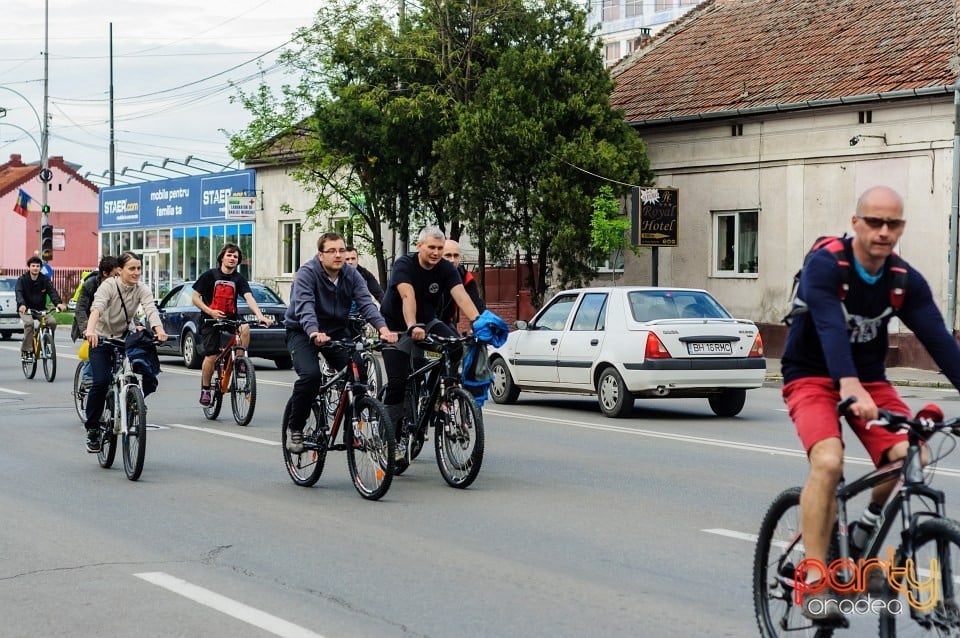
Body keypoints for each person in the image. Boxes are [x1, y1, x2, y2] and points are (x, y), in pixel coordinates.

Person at [781, 185, 960, 626]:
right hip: (812, 375)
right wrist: (847, 385)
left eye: (893, 224)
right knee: (828, 461)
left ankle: (865, 527)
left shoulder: (903, 282)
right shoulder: (826, 267)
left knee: (911, 454)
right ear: (856, 223)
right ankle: (815, 580)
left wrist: (861, 387)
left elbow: (940, 342)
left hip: (870, 381)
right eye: (874, 222)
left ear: (901, 228)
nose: (883, 232)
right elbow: (828, 325)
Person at [282, 232, 397, 453]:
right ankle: (295, 427)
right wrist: (314, 332)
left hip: (335, 331)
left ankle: (350, 431)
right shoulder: (307, 274)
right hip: (302, 331)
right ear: (320, 255)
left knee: (358, 372)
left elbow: (366, 303)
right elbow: (305, 306)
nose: (338, 255)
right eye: (332, 251)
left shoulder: (351, 275)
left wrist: (383, 329)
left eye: (341, 250)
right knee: (311, 377)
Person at [380, 226, 482, 457]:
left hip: (427, 321)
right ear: (419, 246)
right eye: (431, 248)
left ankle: (436, 394)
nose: (436, 253)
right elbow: (408, 296)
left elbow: (461, 295)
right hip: (396, 326)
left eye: (439, 248)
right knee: (398, 382)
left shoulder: (445, 268)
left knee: (455, 346)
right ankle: (391, 438)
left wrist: (479, 322)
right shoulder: (404, 265)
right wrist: (412, 325)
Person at [83, 252, 168, 453]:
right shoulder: (109, 286)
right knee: (101, 382)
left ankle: (133, 401)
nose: (136, 272)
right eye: (132, 268)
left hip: (124, 337)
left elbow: (150, 309)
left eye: (139, 268)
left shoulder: (142, 289)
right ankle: (93, 429)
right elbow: (97, 308)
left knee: (142, 370)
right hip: (102, 338)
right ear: (120, 270)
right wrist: (90, 330)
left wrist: (159, 330)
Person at [192, 243, 273, 407]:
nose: (232, 258)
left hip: (230, 318)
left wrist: (260, 316)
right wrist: (210, 312)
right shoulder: (210, 275)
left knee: (245, 328)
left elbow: (249, 297)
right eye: (229, 255)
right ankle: (206, 389)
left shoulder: (238, 279)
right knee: (212, 355)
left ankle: (240, 363)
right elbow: (195, 298)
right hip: (210, 319)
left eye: (235, 257)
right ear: (222, 257)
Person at [72, 255, 121, 384]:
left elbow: (127, 309)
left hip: (110, 324)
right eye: (115, 274)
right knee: (92, 347)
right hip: (90, 323)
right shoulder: (91, 284)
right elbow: (80, 308)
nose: (118, 278)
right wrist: (86, 329)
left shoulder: (119, 286)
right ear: (105, 273)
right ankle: (87, 379)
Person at [15, 255, 65, 361]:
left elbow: (52, 292)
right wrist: (22, 304)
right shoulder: (22, 280)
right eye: (33, 266)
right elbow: (19, 293)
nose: (35, 268)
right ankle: (27, 350)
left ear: (40, 267)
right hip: (26, 309)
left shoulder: (44, 280)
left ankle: (46, 344)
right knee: (29, 324)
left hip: (41, 309)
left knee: (52, 322)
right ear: (29, 267)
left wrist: (58, 303)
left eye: (37, 266)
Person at [439, 239, 485, 331]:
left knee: (458, 345)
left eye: (456, 256)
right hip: (421, 322)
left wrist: (482, 322)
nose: (452, 260)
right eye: (448, 255)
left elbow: (476, 303)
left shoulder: (464, 275)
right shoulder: (428, 273)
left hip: (448, 322)